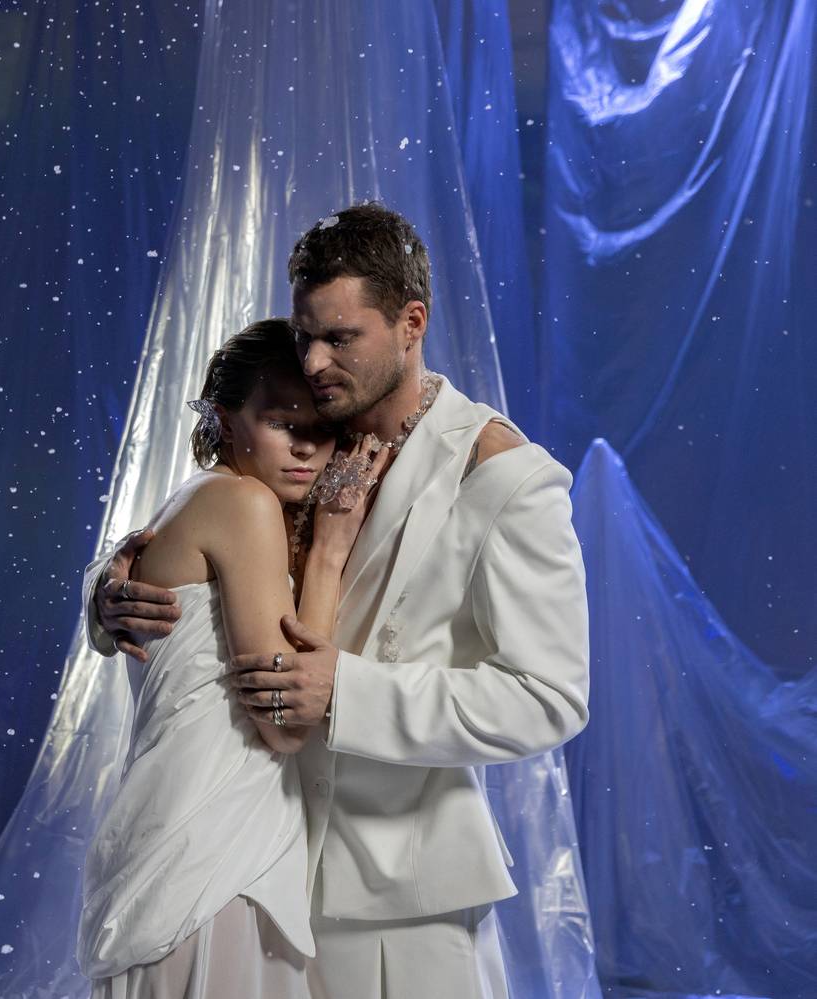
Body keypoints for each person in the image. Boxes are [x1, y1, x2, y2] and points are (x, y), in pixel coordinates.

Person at [84, 202, 590, 998]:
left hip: (397, 893)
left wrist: (346, 691)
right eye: (304, 335)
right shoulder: (305, 429)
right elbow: (208, 529)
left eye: (340, 337)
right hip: (258, 866)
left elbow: (548, 695)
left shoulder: (503, 477)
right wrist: (109, 593)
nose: (315, 360)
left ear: (410, 323)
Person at [75, 319, 389, 999]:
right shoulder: (245, 503)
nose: (306, 446)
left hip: (191, 821)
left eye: (321, 428)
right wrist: (330, 553)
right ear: (224, 418)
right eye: (281, 422)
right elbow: (283, 721)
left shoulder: (196, 495)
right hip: (210, 839)